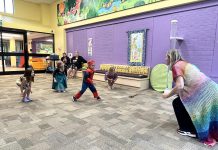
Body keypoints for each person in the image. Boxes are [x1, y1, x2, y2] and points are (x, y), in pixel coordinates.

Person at [162, 49, 218, 147]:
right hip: (212, 89)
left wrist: (167, 95)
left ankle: (186, 129)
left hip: (205, 93)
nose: (164, 58)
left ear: (170, 57)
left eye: (166, 57)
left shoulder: (176, 66)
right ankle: (192, 128)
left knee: (177, 103)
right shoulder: (184, 64)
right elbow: (188, 83)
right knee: (180, 102)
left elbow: (180, 86)